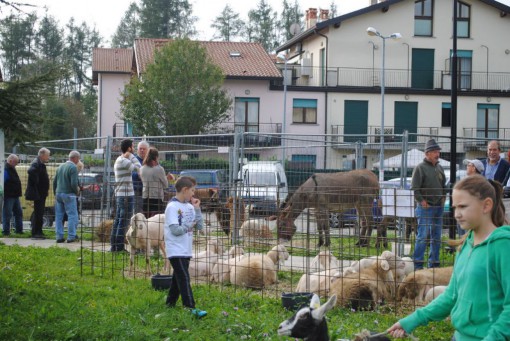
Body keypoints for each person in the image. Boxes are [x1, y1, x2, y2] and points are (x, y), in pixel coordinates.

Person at [388, 175, 510, 340]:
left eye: (463, 207)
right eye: (454, 207)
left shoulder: (503, 246)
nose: (457, 214)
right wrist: (412, 320)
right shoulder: (465, 244)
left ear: (486, 205)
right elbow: (451, 295)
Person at [164, 176, 206, 318]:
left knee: (178, 277)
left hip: (186, 249)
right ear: (185, 190)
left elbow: (200, 226)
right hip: (175, 249)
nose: (193, 194)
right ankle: (190, 307)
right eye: (192, 191)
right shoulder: (172, 207)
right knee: (184, 277)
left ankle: (169, 303)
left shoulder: (189, 207)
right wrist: (189, 225)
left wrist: (197, 210)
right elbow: (175, 230)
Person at [410, 139, 446, 269]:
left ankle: (434, 263)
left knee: (436, 236)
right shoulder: (420, 168)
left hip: (438, 207)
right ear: (427, 153)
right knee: (423, 236)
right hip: (426, 207)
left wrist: (443, 197)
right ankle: (418, 264)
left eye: (438, 151)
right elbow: (414, 188)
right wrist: (422, 201)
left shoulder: (439, 167)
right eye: (435, 152)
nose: (437, 154)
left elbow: (444, 186)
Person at [111, 139, 141, 252]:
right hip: (126, 195)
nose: (133, 149)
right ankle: (118, 246)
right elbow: (138, 166)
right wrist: (132, 156)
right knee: (123, 221)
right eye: (133, 147)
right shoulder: (124, 160)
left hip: (121, 195)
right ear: (129, 148)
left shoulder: (120, 159)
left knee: (118, 220)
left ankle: (114, 245)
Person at [53, 151, 81, 243]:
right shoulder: (73, 167)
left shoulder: (60, 167)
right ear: (75, 158)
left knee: (59, 216)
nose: (78, 161)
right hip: (69, 194)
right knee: (72, 215)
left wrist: (55, 193)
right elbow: (74, 183)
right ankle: (71, 236)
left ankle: (59, 236)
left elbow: (54, 182)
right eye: (78, 159)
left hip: (58, 193)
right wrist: (76, 191)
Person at [25, 148, 50, 240]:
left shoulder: (40, 163)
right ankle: (36, 232)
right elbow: (31, 171)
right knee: (38, 212)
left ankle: (39, 231)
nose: (48, 157)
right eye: (48, 155)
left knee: (39, 212)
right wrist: (37, 183)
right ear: (42, 154)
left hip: (41, 193)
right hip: (38, 193)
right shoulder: (36, 163)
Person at [140, 147, 173, 217]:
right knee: (156, 222)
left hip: (145, 197)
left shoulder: (142, 169)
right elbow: (165, 185)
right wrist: (167, 179)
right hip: (157, 198)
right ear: (156, 157)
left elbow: (150, 179)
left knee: (146, 221)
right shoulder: (159, 169)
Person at [2, 154, 23, 236]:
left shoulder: (11, 168)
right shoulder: (6, 169)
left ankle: (18, 230)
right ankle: (6, 231)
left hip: (14, 195)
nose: (16, 164)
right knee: (8, 214)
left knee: (18, 212)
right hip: (9, 195)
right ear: (10, 161)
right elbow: (4, 181)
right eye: (16, 162)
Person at [132, 141, 149, 214]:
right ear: (137, 150)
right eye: (140, 149)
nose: (142, 150)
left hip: (149, 191)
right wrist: (138, 174)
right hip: (137, 190)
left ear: (147, 150)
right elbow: (131, 174)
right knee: (138, 213)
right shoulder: (133, 160)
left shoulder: (150, 161)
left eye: (144, 149)